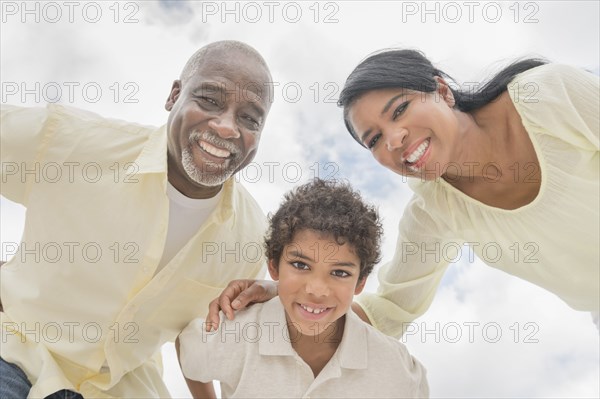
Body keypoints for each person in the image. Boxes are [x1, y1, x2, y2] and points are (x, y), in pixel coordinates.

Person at [206, 49, 599, 339]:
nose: (394, 140)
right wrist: (282, 293)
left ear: (443, 91)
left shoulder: (548, 95)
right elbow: (388, 312)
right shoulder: (434, 213)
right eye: (374, 139)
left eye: (400, 110)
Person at [0, 40, 274, 398]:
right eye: (209, 100)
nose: (226, 127)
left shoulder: (252, 241)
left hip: (120, 386)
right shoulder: (72, 141)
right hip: (16, 350)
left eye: (249, 118)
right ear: (174, 96)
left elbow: (207, 339)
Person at [176, 179, 429, 398]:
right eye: (300, 265)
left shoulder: (394, 367)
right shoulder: (237, 334)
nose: (317, 290)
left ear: (360, 283)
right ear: (274, 267)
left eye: (340, 273)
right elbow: (189, 353)